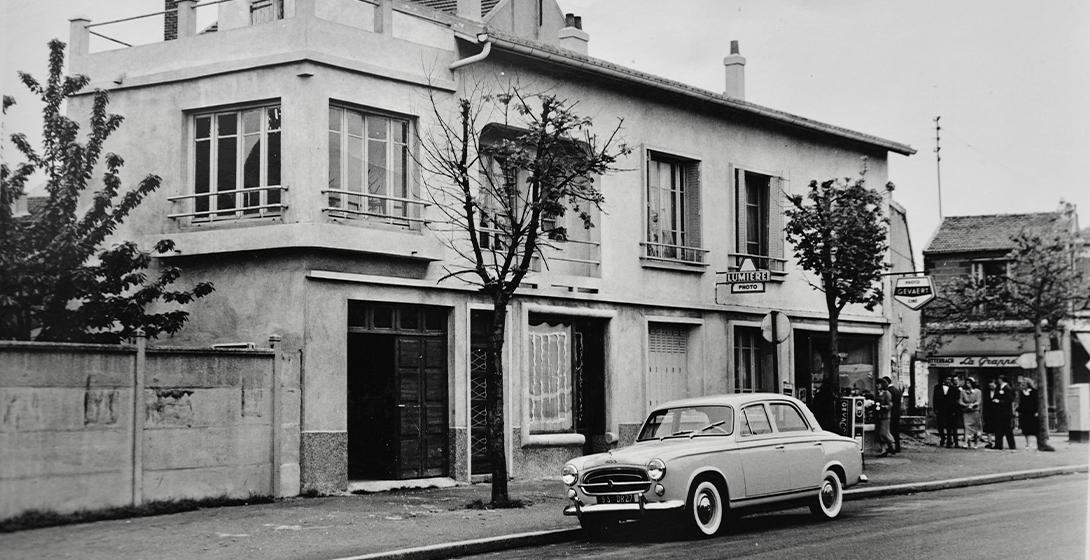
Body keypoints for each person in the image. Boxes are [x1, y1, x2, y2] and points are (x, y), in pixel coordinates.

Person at [932, 375, 961, 448]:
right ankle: (942, 438)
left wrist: (954, 410)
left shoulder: (953, 389)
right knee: (940, 424)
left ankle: (950, 441)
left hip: (950, 410)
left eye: (950, 379)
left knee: (950, 426)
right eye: (947, 379)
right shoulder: (937, 387)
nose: (948, 381)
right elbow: (935, 398)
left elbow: (955, 400)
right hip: (940, 408)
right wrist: (935, 408)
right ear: (944, 379)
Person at [991, 375, 1017, 451]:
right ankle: (998, 444)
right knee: (998, 429)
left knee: (1008, 429)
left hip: (1006, 413)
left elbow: (1010, 400)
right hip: (999, 412)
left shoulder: (1007, 388)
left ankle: (1012, 445)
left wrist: (999, 401)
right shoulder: (999, 388)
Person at [875, 378, 896, 457]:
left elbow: (890, 405)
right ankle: (883, 450)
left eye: (879, 384)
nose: (877, 385)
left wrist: (883, 407)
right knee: (879, 434)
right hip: (879, 416)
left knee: (883, 432)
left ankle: (892, 444)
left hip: (885, 416)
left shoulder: (887, 393)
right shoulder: (879, 393)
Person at [959, 377, 983, 449]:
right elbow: (960, 401)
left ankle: (975, 443)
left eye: (969, 383)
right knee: (966, 427)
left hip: (975, 411)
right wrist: (965, 405)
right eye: (966, 383)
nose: (967, 384)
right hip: (966, 411)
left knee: (975, 427)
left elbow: (979, 400)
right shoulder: (963, 392)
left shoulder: (978, 392)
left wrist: (973, 405)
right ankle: (966, 443)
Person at [883, 375, 903, 453]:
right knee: (896, 431)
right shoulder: (897, 390)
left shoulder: (888, 392)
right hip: (897, 413)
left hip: (890, 414)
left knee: (890, 431)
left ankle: (891, 447)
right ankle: (897, 446)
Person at [1017, 378, 1039, 450]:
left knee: (1035, 428)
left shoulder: (1034, 392)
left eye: (1024, 384)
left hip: (1032, 413)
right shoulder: (1021, 392)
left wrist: (1037, 411)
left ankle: (1038, 443)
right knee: (1025, 429)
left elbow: (1037, 402)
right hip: (1024, 413)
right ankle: (1028, 443)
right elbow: (1020, 402)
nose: (1022, 385)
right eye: (1022, 384)